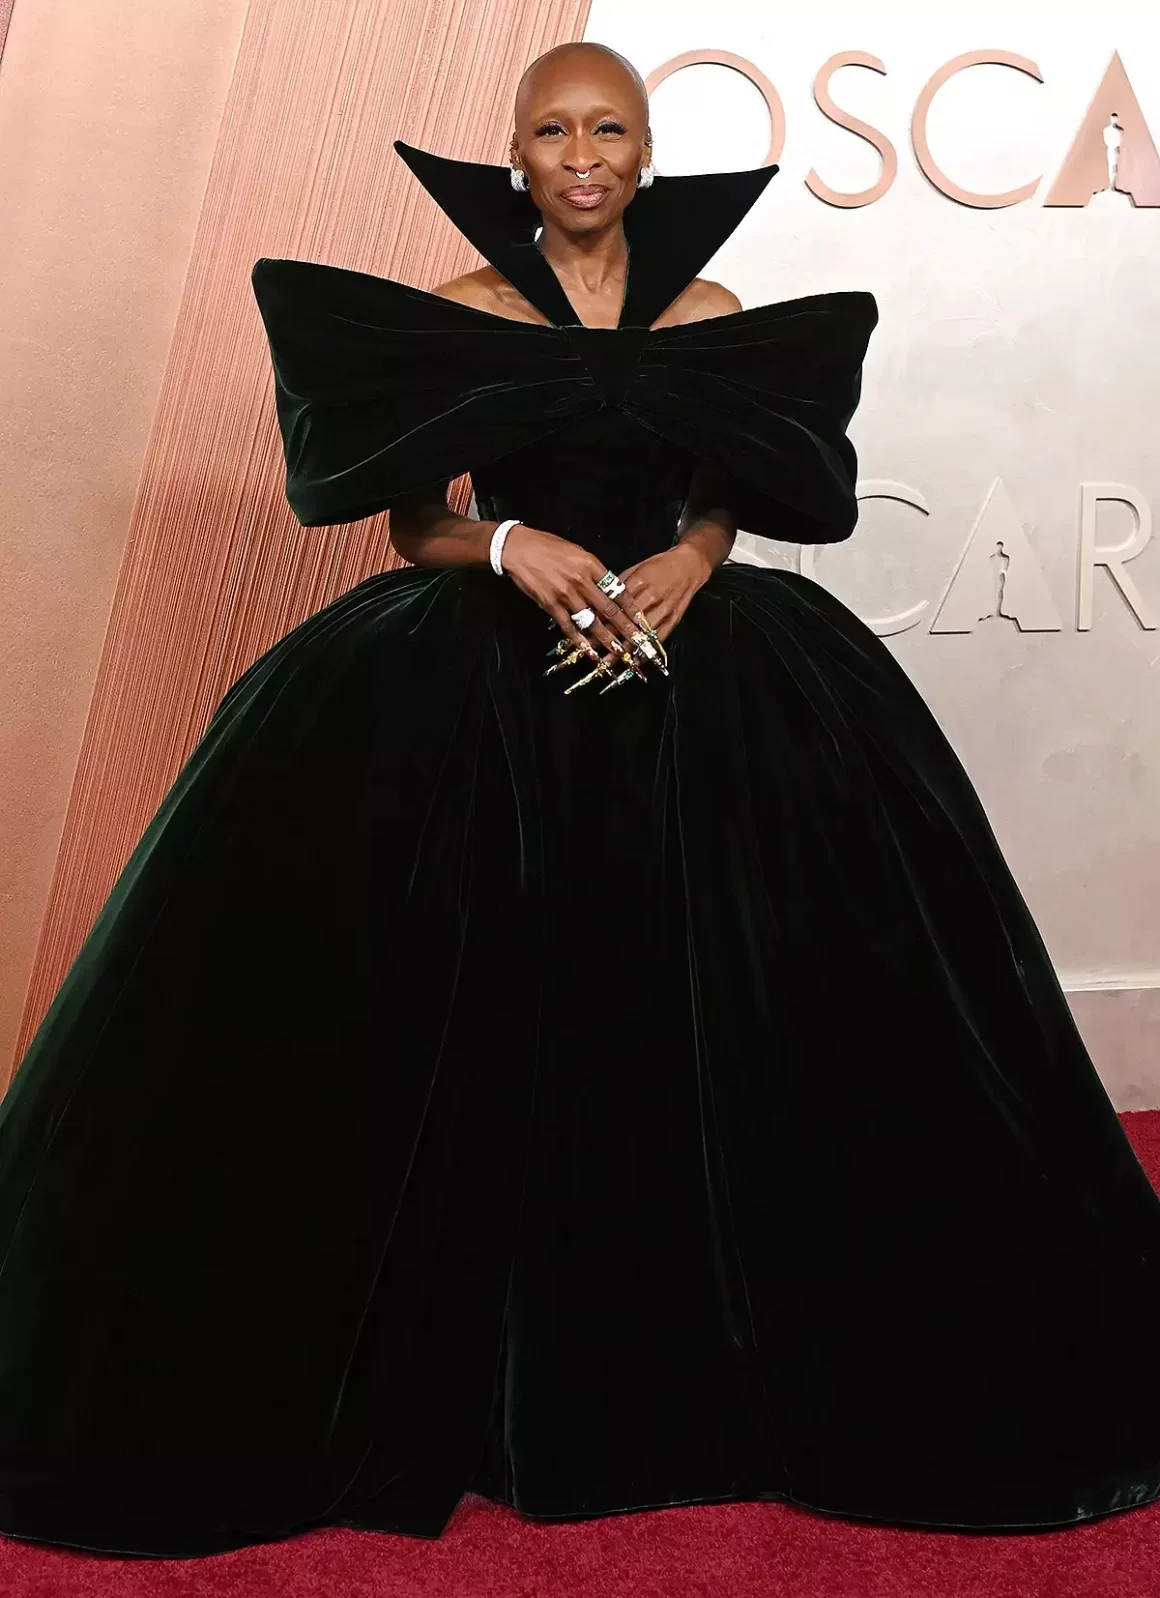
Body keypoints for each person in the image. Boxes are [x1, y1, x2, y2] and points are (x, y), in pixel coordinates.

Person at [1, 38, 1159, 1561]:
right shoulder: (465, 312)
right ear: (519, 153)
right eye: (554, 130)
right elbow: (412, 522)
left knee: (750, 996)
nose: (583, 155)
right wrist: (508, 548)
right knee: (449, 993)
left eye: (609, 129)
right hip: (484, 676)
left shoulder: (712, 313)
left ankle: (726, 1348)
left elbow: (729, 491)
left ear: (645, 152)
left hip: (700, 670)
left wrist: (692, 560)